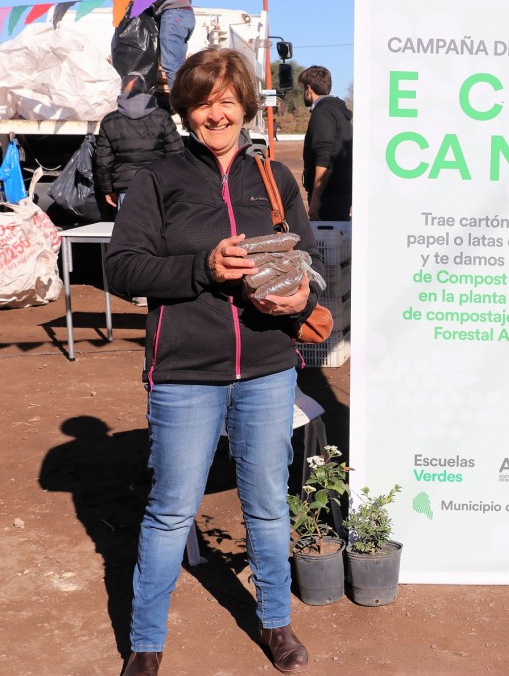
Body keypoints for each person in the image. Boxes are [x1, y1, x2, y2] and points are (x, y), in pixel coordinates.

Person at [107, 48, 324, 676]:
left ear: (246, 106)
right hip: (184, 372)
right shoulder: (157, 180)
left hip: (267, 366)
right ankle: (146, 643)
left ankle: (276, 622)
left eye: (227, 101)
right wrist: (202, 267)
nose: (217, 113)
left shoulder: (274, 178)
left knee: (268, 504)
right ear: (186, 110)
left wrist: (300, 296)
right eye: (204, 102)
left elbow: (308, 262)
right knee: (172, 510)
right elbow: (122, 269)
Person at [95, 73, 183, 211]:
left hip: (126, 189)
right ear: (145, 90)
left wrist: (108, 189)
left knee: (129, 225)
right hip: (157, 186)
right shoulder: (162, 117)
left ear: (122, 91)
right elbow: (176, 154)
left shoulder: (109, 121)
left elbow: (104, 161)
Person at [297, 65, 352, 221]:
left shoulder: (323, 112)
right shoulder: (338, 111)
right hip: (340, 195)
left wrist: (315, 202)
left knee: (324, 236)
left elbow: (324, 156)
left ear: (308, 89)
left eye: (302, 89)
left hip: (328, 199)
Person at [154, 0, 196, 93]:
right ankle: (185, 97)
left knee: (171, 66)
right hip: (185, 14)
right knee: (179, 66)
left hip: (174, 14)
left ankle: (180, 101)